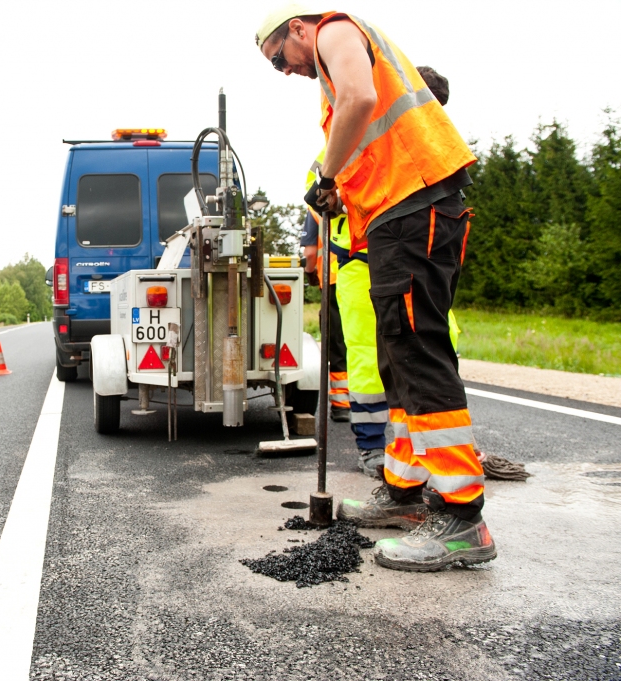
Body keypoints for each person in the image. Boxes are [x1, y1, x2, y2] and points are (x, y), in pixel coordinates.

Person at [255, 5, 495, 571]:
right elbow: (365, 133)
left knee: (417, 354)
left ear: (298, 28)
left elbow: (362, 100)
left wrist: (328, 177)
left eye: (278, 59)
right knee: (396, 362)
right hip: (394, 215)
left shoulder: (335, 31)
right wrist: (345, 192)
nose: (284, 71)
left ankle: (464, 518)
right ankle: (405, 494)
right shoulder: (329, 73)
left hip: (416, 205)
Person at [304, 151, 388, 476]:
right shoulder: (337, 147)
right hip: (358, 260)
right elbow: (317, 195)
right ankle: (375, 447)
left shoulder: (407, 130)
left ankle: (412, 450)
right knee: (364, 354)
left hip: (359, 265)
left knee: (356, 351)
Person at [300, 195, 351, 424]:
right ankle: (374, 401)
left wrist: (310, 272)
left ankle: (342, 404)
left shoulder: (315, 208)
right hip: (370, 276)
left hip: (333, 280)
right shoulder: (367, 195)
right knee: (368, 342)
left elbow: (310, 253)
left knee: (337, 343)